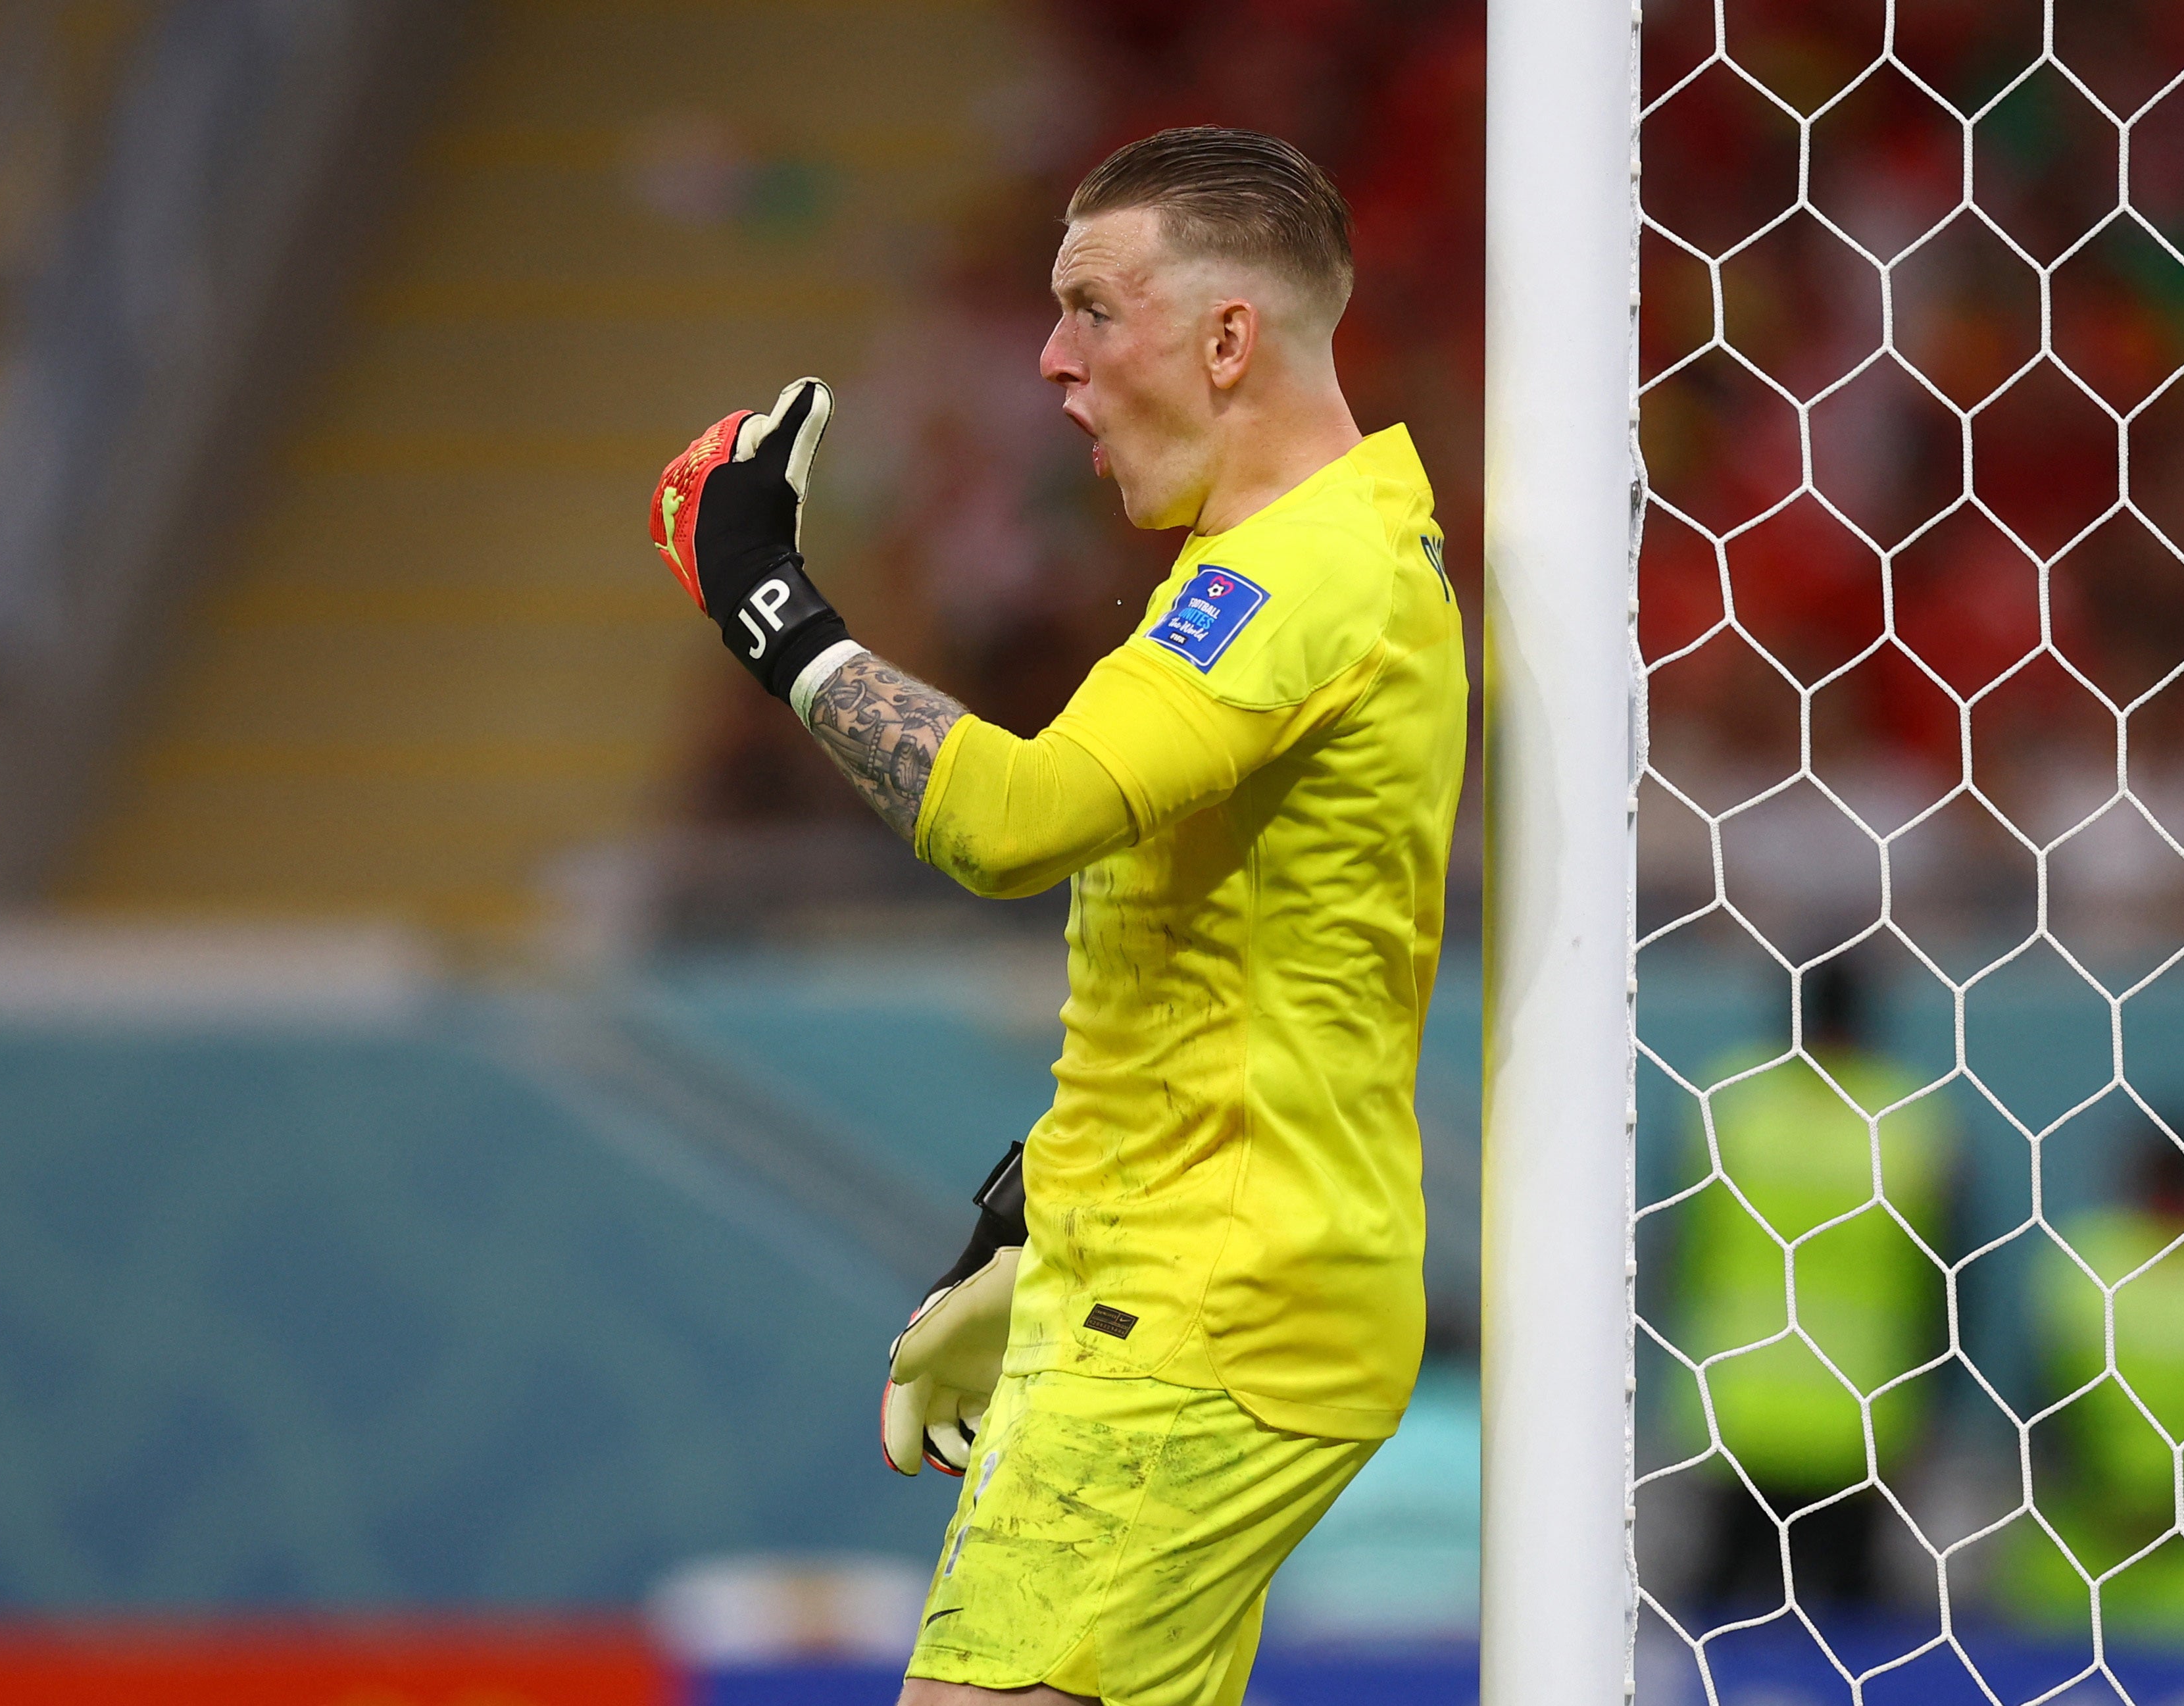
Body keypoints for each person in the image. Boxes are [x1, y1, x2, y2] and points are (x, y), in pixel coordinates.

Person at [647, 127, 1468, 1706]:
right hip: (1192, 1284)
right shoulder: (1297, 563)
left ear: (1230, 337)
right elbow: (1216, 966)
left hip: (1195, 1317)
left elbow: (1012, 822)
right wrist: (1032, 1228)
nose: (1049, 359)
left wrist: (766, 599)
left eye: (1092, 308)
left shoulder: (1296, 582)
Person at [1671, 963, 1953, 1613]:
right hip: (1859, 1416)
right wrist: (1931, 1408)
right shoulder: (1908, 1119)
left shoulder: (1731, 1102)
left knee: (1722, 1608)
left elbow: (1672, 1248)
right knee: (1846, 1626)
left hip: (1735, 1401)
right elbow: (1948, 1278)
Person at [1997, 1128, 2184, 1640]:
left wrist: (2174, 1512)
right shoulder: (2084, 1263)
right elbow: (2044, 1403)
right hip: (2075, 1557)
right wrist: (2105, 1504)